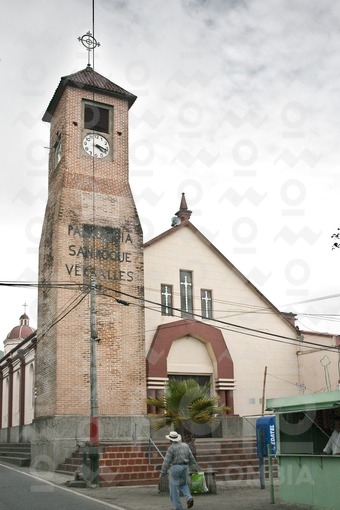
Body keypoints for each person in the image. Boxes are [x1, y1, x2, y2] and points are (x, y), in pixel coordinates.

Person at [160, 431, 199, 510]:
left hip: (176, 468)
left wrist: (163, 472)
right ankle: (189, 498)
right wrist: (195, 468)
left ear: (170, 440)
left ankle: (178, 507)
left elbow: (166, 462)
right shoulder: (185, 446)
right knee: (184, 484)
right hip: (185, 467)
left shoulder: (171, 448)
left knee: (174, 488)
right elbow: (191, 458)